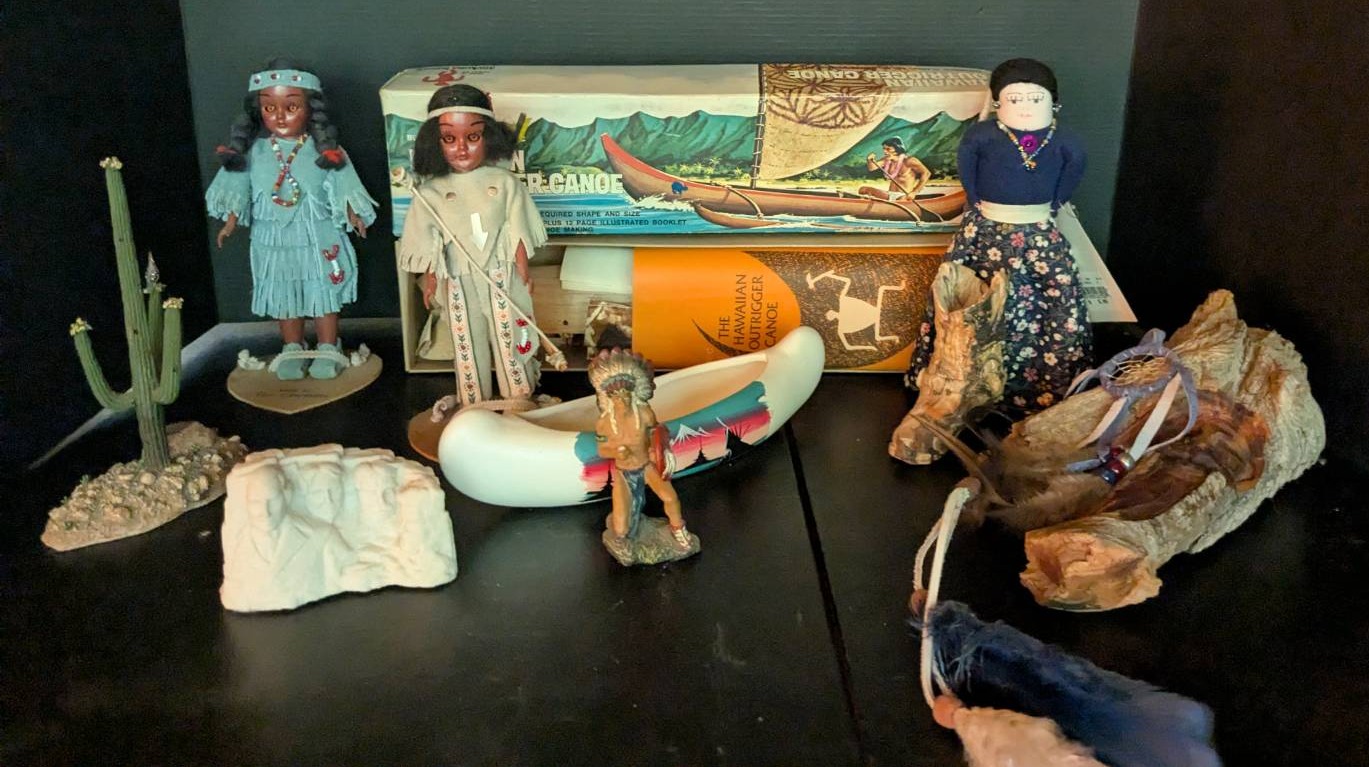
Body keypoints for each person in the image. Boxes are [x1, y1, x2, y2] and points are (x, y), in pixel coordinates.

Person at [906, 58, 1092, 412]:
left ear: (1053, 103)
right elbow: (967, 167)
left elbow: (1074, 170)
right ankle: (954, 378)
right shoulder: (982, 135)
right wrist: (976, 201)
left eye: (1035, 98)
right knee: (972, 295)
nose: (1025, 106)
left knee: (1050, 300)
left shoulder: (1064, 140)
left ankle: (1041, 386)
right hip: (985, 229)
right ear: (997, 103)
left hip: (1038, 232)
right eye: (1014, 99)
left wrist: (1053, 204)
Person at [205, 58, 377, 381]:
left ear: (311, 109)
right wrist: (230, 221)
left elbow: (344, 187)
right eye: (270, 108)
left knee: (323, 290)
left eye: (292, 106)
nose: (280, 116)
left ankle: (329, 346)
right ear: (258, 110)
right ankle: (292, 347)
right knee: (284, 292)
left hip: (318, 235)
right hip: (273, 239)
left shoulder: (326, 151)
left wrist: (353, 214)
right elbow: (237, 190)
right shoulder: (253, 153)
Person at [398, 85, 548, 408]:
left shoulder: (505, 183)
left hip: (499, 269)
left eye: (473, 137)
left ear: (489, 137)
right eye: (449, 138)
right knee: (465, 335)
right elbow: (429, 241)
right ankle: (473, 399)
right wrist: (431, 279)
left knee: (508, 329)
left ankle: (518, 394)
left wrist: (523, 269)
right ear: (435, 143)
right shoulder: (431, 192)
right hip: (457, 274)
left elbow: (517, 229)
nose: (461, 148)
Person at [589, 348, 696, 562]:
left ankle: (678, 529)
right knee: (621, 530)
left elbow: (657, 435)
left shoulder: (645, 414)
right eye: (616, 396)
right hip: (623, 472)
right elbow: (602, 449)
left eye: (626, 394)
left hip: (646, 466)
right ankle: (622, 534)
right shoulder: (604, 423)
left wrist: (660, 452)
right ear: (609, 398)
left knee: (670, 498)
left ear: (633, 394)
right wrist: (617, 451)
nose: (622, 400)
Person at [859, 137, 930, 201]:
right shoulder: (886, 159)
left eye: (888, 149)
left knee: (901, 199)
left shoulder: (909, 160)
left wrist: (914, 192)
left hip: (903, 196)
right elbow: (872, 168)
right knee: (863, 189)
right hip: (889, 194)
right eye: (884, 149)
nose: (885, 151)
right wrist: (869, 160)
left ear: (897, 148)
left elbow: (926, 173)